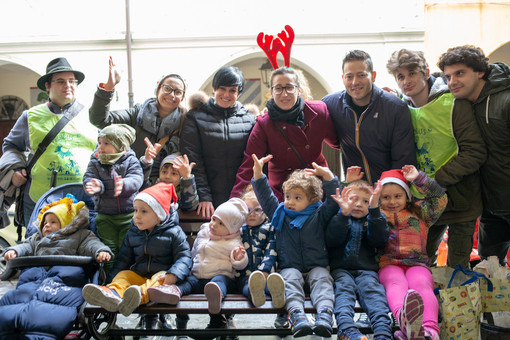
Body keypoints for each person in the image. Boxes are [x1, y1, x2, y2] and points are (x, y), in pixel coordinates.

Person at [386, 49, 486, 268]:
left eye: (412, 73)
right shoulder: (402, 109)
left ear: (426, 73)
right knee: (420, 263)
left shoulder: (453, 104)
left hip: (461, 200)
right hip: (425, 206)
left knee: (457, 271)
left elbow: (475, 152)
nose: (407, 81)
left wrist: (436, 181)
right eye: (400, 76)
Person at [1, 57, 98, 225]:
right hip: (40, 199)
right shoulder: (29, 117)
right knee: (39, 248)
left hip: (85, 199)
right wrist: (15, 169)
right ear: (47, 86)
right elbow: (10, 146)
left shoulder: (92, 116)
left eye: (71, 81)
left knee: (85, 247)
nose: (67, 85)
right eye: (61, 81)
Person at [251, 154, 339, 338]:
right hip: (291, 266)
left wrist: (329, 176)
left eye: (297, 197)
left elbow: (333, 201)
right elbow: (266, 197)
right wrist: (259, 175)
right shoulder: (280, 214)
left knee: (322, 279)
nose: (290, 201)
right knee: (289, 280)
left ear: (313, 200)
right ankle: (297, 316)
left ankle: (324, 315)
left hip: (317, 265)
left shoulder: (319, 214)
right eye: (288, 196)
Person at [437, 45, 510, 266]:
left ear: (480, 72)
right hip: (490, 205)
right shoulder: (464, 104)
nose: (452, 82)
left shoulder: (505, 100)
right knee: (491, 267)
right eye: (448, 76)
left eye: (460, 73)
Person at [0, 195, 112, 338]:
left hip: (64, 279)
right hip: (35, 278)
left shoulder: (80, 236)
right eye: (45, 222)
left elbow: (92, 244)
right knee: (10, 304)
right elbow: (26, 247)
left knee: (47, 312)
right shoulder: (37, 239)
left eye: (53, 222)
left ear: (67, 223)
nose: (46, 225)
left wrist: (101, 251)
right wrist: (14, 251)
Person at [82, 183, 192, 326]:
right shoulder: (133, 232)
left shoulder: (174, 233)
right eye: (135, 211)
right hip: (139, 276)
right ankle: (112, 293)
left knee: (159, 277)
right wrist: (109, 280)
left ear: (159, 216)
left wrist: (174, 274)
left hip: (162, 279)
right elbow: (123, 259)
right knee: (124, 275)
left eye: (144, 212)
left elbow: (184, 256)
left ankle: (139, 296)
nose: (137, 216)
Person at [231, 66, 338, 201]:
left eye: (289, 87)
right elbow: (248, 167)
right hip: (284, 194)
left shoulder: (319, 112)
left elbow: (338, 141)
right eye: (278, 88)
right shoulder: (264, 124)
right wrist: (233, 204)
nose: (284, 94)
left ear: (298, 90)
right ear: (271, 92)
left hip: (317, 188)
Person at [322, 50, 416, 185]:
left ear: (373, 76)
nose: (355, 82)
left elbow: (403, 160)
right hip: (357, 194)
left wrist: (389, 193)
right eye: (349, 76)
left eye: (361, 75)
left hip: (389, 193)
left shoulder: (395, 107)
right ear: (343, 78)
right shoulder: (331, 104)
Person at [377, 166, 447, 340]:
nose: (392, 201)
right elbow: (355, 208)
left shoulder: (420, 212)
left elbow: (440, 198)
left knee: (422, 284)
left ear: (407, 196)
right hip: (389, 264)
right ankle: (406, 324)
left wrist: (418, 178)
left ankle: (430, 330)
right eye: (386, 197)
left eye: (397, 196)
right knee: (395, 284)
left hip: (417, 263)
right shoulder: (375, 215)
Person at [89, 57, 188, 179]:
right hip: (130, 181)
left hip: (164, 186)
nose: (172, 95)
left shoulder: (186, 122)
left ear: (182, 97)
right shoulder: (138, 113)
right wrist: (108, 88)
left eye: (178, 92)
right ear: (158, 90)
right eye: (167, 88)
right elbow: (99, 120)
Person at [180, 66, 256, 218]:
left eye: (232, 90)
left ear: (239, 92)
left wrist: (246, 196)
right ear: (214, 88)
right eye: (222, 89)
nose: (226, 94)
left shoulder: (250, 119)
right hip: (208, 201)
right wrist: (204, 196)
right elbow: (193, 159)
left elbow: (251, 162)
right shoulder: (195, 117)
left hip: (241, 199)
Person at [326, 177, 392, 340]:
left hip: (367, 270)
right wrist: (343, 215)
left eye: (365, 201)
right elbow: (331, 240)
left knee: (373, 292)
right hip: (341, 269)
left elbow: (380, 241)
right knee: (343, 291)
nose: (358, 204)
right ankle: (347, 329)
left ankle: (383, 331)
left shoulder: (373, 219)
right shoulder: (339, 218)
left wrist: (375, 210)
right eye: (353, 199)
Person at [174, 198, 248, 333]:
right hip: (198, 277)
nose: (214, 224)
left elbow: (241, 265)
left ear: (231, 230)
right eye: (214, 219)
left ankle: (216, 295)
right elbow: (194, 251)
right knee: (188, 282)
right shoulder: (203, 234)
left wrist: (239, 258)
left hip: (221, 277)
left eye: (221, 223)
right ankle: (175, 292)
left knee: (219, 281)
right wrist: (190, 268)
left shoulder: (233, 242)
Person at [83, 124, 144, 273]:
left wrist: (124, 184)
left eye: (106, 143)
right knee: (109, 248)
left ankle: (124, 276)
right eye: (100, 142)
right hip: (105, 216)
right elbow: (88, 178)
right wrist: (97, 186)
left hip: (128, 215)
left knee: (126, 247)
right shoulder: (95, 162)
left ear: (119, 145)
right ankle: (109, 277)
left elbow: (137, 178)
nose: (100, 147)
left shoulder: (130, 160)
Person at [235, 185, 284, 309]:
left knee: (271, 285)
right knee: (247, 286)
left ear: (266, 213)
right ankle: (255, 295)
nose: (251, 214)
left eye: (257, 210)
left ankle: (278, 297)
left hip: (266, 274)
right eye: (248, 210)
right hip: (243, 275)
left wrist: (265, 271)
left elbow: (271, 251)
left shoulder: (269, 228)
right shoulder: (238, 230)